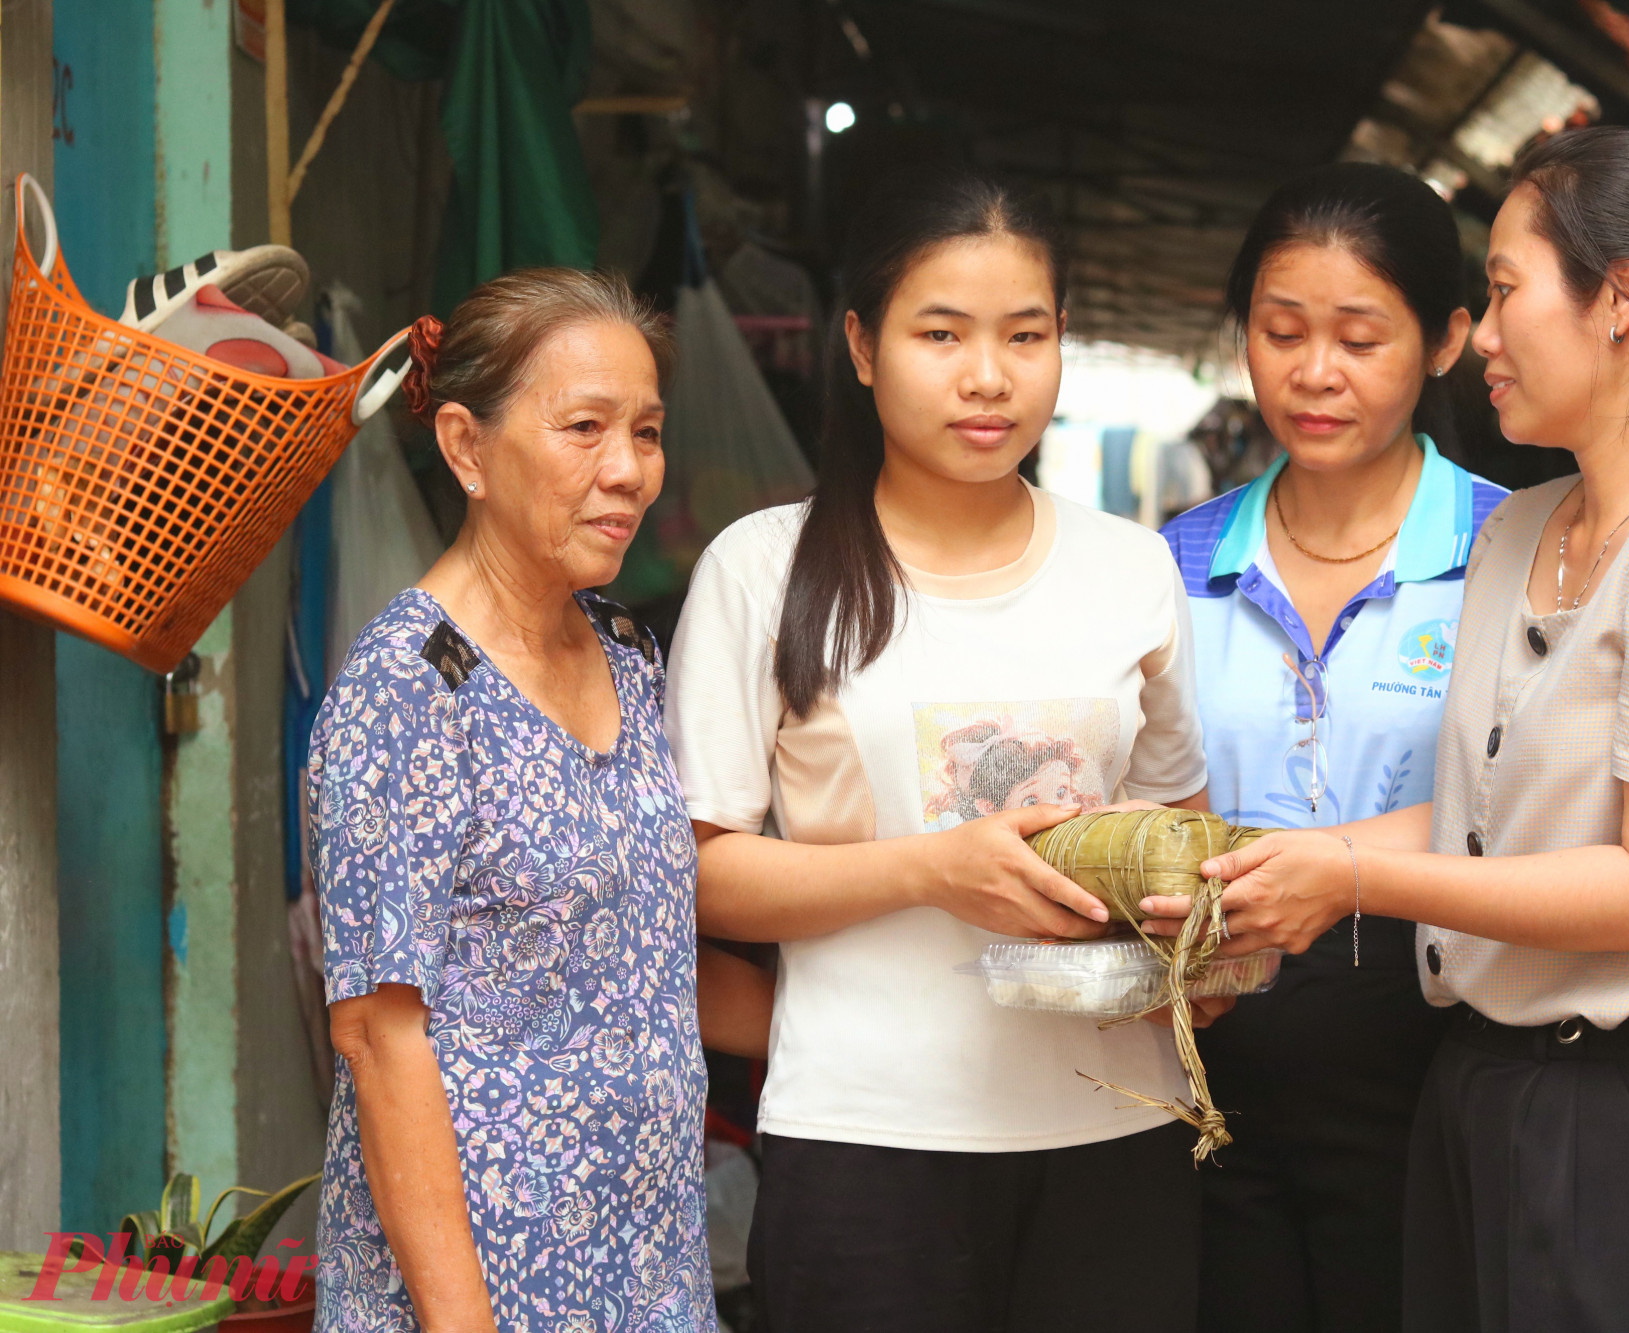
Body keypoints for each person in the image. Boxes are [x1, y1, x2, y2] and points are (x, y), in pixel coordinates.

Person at [1145, 125, 1629, 1331]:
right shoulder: (1520, 531)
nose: (1487, 336)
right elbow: (1477, 822)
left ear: (1620, 300)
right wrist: (1277, 873)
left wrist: (1350, 871)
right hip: (1486, 1087)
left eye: (1507, 293)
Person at [665, 170, 1221, 1333]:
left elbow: (1178, 838)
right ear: (861, 346)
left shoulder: (1129, 567)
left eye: (1025, 335)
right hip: (866, 1137)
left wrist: (1197, 939)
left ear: (1062, 340)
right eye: (940, 333)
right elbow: (703, 871)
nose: (987, 376)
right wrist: (930, 868)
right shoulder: (762, 567)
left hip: (1115, 1122)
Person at [310, 269, 774, 1333]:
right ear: (467, 447)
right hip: (476, 1278)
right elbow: (380, 1038)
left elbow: (636, 954)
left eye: (647, 432)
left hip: (646, 1258)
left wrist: (864, 1020)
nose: (628, 472)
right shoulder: (407, 691)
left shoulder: (623, 651)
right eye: (583, 429)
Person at [1159, 162, 1504, 1332]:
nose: (1313, 373)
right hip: (1216, 1060)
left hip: (1444, 1058)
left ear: (1447, 338)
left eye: (1359, 336)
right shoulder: (1170, 566)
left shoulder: (1514, 557)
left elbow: (1536, 808)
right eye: (1280, 331)